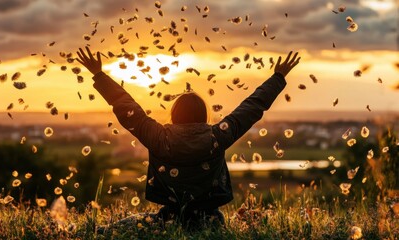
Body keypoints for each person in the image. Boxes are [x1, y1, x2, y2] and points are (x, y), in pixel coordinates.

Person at [76, 47, 300, 229]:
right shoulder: (217, 137)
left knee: (115, 229)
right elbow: (250, 108)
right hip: (210, 221)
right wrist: (278, 78)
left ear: (174, 115)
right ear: (204, 115)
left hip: (168, 219)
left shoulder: (158, 137)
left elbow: (127, 108)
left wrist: (99, 75)